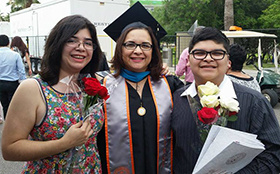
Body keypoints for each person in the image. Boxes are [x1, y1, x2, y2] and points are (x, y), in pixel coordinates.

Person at [2, 15, 104, 173]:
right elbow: (10, 149)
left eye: (88, 43)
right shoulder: (33, 88)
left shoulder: (91, 84)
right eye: (72, 40)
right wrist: (65, 143)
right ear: (57, 44)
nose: (81, 47)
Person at [171, 27, 280, 173]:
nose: (208, 58)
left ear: (228, 62)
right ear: (188, 60)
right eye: (199, 53)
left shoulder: (255, 102)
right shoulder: (175, 100)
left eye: (217, 53)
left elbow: (274, 154)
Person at [98, 2, 184, 173]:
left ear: (153, 51)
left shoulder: (171, 85)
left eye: (145, 45)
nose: (138, 51)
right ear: (120, 49)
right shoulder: (102, 87)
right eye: (130, 44)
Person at [0, 34, 26, 119]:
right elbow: (21, 70)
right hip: (12, 83)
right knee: (13, 106)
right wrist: (23, 82)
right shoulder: (15, 55)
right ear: (8, 43)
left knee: (5, 105)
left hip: (1, 83)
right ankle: (13, 125)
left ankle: (6, 123)